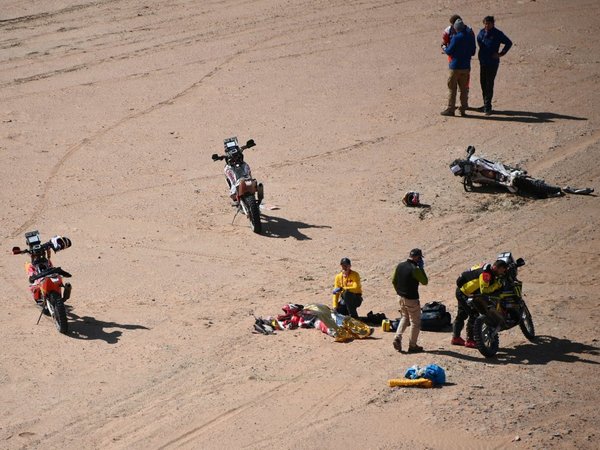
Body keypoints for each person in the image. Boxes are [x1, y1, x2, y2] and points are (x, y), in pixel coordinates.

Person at [452, 259, 508, 347]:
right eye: (502, 270)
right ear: (496, 267)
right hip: (464, 293)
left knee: (462, 314)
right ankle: (470, 340)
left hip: (465, 290)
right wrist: (497, 285)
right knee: (473, 314)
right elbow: (484, 290)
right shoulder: (486, 274)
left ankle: (456, 338)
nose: (502, 273)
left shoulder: (487, 268)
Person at [391, 248, 428, 353]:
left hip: (400, 297)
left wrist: (399, 292)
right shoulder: (414, 269)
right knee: (415, 322)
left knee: (404, 317)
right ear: (417, 257)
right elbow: (425, 281)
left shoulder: (400, 265)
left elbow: (394, 280)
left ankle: (397, 337)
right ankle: (412, 345)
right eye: (419, 257)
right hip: (411, 299)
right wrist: (421, 268)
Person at [477, 16, 513, 115]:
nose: (486, 25)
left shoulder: (497, 33)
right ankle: (485, 104)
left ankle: (488, 107)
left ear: (493, 23)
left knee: (489, 83)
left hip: (492, 63)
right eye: (485, 23)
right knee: (483, 83)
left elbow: (508, 43)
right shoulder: (481, 32)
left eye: (488, 23)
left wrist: (500, 54)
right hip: (483, 62)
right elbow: (479, 41)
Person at [441, 18, 476, 117]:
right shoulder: (470, 36)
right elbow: (473, 52)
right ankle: (463, 109)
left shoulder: (456, 37)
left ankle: (451, 109)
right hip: (466, 67)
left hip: (455, 67)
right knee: (464, 89)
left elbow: (449, 51)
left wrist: (444, 47)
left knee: (452, 89)